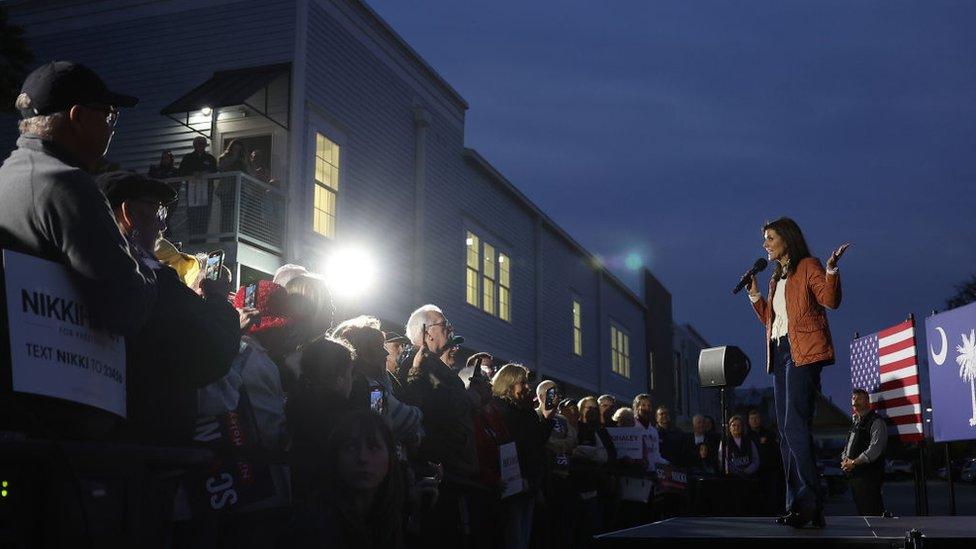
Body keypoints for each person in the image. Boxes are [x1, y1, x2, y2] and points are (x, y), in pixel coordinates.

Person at [0, 61, 153, 337]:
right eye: (109, 115)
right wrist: (151, 272)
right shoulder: (67, 185)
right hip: (47, 376)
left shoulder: (7, 175)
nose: (113, 127)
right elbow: (126, 307)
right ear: (78, 117)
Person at [97, 171, 240, 443]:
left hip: (104, 432)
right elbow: (214, 349)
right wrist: (217, 298)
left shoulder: (91, 265)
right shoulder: (148, 278)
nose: (163, 228)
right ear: (129, 215)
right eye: (159, 213)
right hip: (149, 442)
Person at [746, 216, 849, 528]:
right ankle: (800, 506)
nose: (765, 244)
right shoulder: (776, 277)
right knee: (785, 433)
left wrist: (831, 269)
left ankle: (809, 502)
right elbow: (773, 319)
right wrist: (755, 296)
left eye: (770, 238)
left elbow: (830, 301)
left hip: (802, 351)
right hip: (779, 352)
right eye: (764, 239)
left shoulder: (808, 266)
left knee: (794, 427)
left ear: (786, 240)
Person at [397, 305, 477, 545]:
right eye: (444, 325)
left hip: (454, 468)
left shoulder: (437, 366)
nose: (450, 329)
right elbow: (425, 410)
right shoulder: (417, 364)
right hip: (437, 471)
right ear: (425, 332)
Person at [289, 410, 404, 549]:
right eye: (351, 447)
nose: (362, 457)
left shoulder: (397, 514)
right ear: (335, 457)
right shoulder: (313, 525)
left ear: (391, 456)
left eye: (373, 447)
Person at [332, 316, 423, 448]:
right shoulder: (375, 391)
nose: (385, 353)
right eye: (380, 347)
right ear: (364, 354)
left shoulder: (353, 385)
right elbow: (408, 420)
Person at [286, 336, 356, 503]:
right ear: (340, 379)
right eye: (350, 374)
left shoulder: (294, 404)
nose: (353, 381)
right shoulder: (342, 421)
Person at [492, 365, 554, 549]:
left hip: (530, 484)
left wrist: (547, 419)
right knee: (513, 538)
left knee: (523, 539)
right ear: (509, 383)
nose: (527, 387)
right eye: (522, 382)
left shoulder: (526, 411)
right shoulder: (499, 410)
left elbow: (536, 442)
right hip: (511, 485)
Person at [841, 388, 887, 516]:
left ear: (867, 402)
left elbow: (875, 448)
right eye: (854, 398)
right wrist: (845, 460)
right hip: (855, 476)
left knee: (873, 513)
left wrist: (854, 462)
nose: (855, 401)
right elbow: (847, 447)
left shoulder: (876, 421)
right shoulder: (855, 422)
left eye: (859, 398)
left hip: (869, 477)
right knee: (862, 513)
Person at [749, 409, 785, 515]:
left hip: (768, 469)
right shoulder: (747, 435)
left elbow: (775, 451)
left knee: (770, 493)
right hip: (753, 470)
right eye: (752, 418)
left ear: (761, 419)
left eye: (756, 418)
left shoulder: (769, 433)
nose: (754, 421)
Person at [633, 394, 668, 471]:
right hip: (637, 473)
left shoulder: (653, 431)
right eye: (643, 405)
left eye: (649, 406)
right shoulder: (632, 427)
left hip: (652, 474)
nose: (646, 408)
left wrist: (667, 464)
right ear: (637, 407)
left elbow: (656, 455)